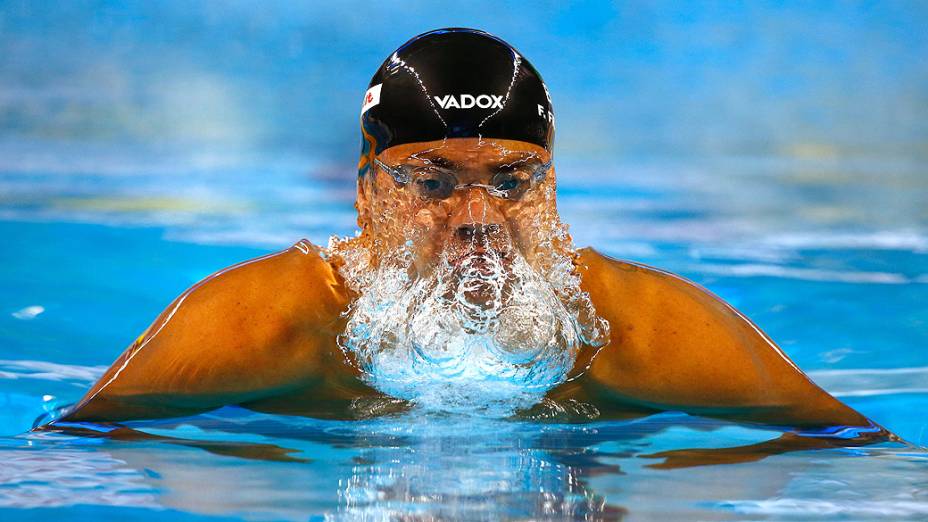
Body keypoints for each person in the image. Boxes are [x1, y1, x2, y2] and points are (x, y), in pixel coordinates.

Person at [55, 29, 888, 455]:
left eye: (514, 179)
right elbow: (71, 455)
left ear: (553, 188)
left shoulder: (643, 332)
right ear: (364, 191)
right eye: (429, 179)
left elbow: (855, 452)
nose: (477, 217)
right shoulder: (267, 323)